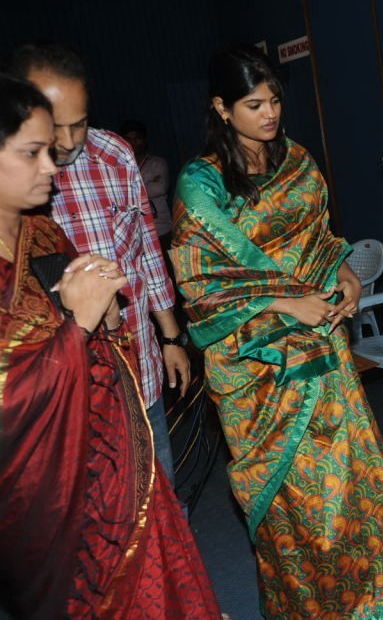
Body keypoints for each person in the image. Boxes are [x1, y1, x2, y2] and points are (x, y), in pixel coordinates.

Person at [170, 45, 383, 618]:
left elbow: (319, 237)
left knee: (350, 473)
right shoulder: (201, 184)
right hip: (257, 364)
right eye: (253, 104)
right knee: (296, 492)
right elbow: (203, 276)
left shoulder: (295, 159)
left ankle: (376, 595)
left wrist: (344, 273)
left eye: (274, 101)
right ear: (222, 108)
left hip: (322, 345)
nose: (269, 114)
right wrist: (287, 302)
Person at [0, 74, 221, 619]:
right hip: (52, 492)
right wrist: (78, 323)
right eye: (33, 152)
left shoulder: (45, 233)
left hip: (118, 449)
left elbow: (144, 251)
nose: (53, 164)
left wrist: (115, 313)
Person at [8, 42, 188, 483]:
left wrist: (170, 336)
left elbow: (145, 249)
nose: (68, 143)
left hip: (137, 363)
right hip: (57, 399)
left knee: (159, 494)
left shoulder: (115, 155)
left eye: (80, 124)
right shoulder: (15, 185)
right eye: (55, 128)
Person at [120, 118, 173, 250]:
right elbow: (117, 196)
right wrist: (147, 184)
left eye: (137, 138)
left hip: (161, 229)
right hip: (136, 233)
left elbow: (159, 188)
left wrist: (128, 189)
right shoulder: (120, 168)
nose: (133, 142)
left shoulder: (158, 163)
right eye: (128, 139)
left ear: (145, 139)